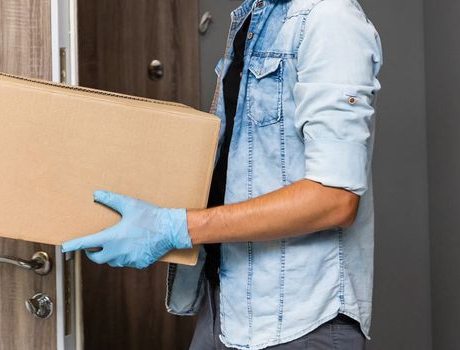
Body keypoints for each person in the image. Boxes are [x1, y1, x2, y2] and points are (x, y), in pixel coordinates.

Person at [61, 0, 382, 349]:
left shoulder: (329, 20)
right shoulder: (253, 18)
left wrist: (175, 227)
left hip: (298, 322)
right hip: (224, 306)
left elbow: (334, 199)